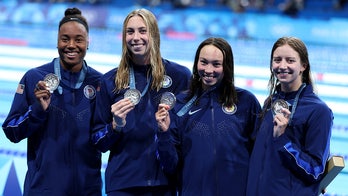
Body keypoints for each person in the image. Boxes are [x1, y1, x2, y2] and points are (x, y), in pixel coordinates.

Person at [2, 7, 103, 196]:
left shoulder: (99, 83)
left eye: (78, 39)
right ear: (57, 41)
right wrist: (37, 110)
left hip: (87, 190)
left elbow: (104, 139)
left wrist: (118, 124)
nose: (71, 45)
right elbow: (11, 131)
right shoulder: (34, 78)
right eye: (65, 39)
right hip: (43, 189)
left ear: (88, 42)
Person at [91, 8, 191, 195]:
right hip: (123, 184)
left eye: (142, 31)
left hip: (164, 182)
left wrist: (166, 132)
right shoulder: (110, 81)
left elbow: (186, 136)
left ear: (154, 33)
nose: (136, 37)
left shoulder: (179, 77)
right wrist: (115, 127)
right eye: (130, 32)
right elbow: (98, 142)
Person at [155, 37, 261, 195]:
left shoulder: (246, 102)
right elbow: (170, 165)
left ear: (227, 66)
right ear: (196, 63)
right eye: (203, 62)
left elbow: (259, 157)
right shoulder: (180, 104)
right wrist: (163, 134)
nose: (209, 70)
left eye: (216, 64)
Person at [246, 37, 333, 196]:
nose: (282, 66)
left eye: (290, 60)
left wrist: (283, 140)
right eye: (277, 60)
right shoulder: (270, 103)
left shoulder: (319, 111)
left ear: (303, 66)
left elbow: (315, 171)